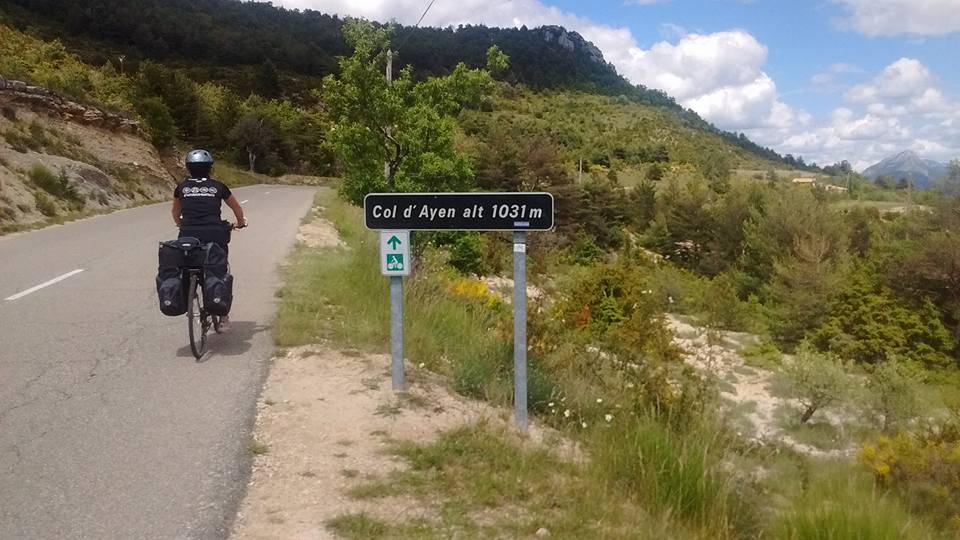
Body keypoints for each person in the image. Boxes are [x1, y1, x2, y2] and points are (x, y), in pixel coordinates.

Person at [172, 149, 247, 331]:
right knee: (218, 270)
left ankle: (189, 289)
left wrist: (180, 224)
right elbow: (236, 207)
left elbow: (175, 212)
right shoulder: (218, 186)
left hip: (187, 235)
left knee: (188, 265)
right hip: (215, 234)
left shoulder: (182, 187)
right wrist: (240, 222)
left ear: (188, 168)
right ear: (209, 168)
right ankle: (222, 317)